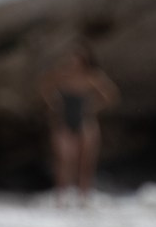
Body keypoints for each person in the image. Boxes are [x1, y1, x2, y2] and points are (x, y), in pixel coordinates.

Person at [40, 41, 117, 203]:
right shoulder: (61, 75)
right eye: (71, 58)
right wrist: (54, 103)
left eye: (76, 59)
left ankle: (83, 199)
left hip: (85, 121)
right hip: (64, 120)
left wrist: (94, 107)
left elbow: (110, 95)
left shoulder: (92, 77)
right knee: (65, 159)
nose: (73, 62)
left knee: (85, 163)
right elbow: (45, 87)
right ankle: (61, 199)